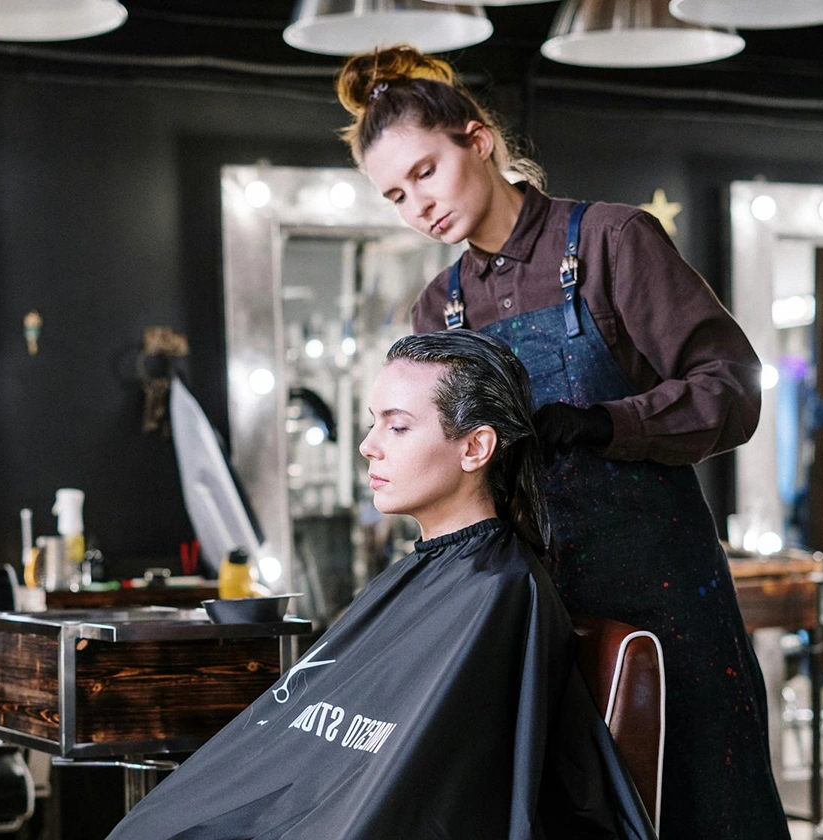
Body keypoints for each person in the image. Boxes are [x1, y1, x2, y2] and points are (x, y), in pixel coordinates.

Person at [336, 45, 788, 840]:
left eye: (426, 173)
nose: (418, 206)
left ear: (477, 140)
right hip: (529, 609)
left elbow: (734, 391)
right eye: (396, 195)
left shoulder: (615, 240)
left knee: (707, 801)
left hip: (666, 592)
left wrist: (611, 423)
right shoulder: (436, 310)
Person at [105, 330, 655, 840]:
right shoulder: (424, 575)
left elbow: (408, 792)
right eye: (372, 423)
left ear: (475, 448)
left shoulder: (497, 593)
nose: (369, 446)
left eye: (396, 426)